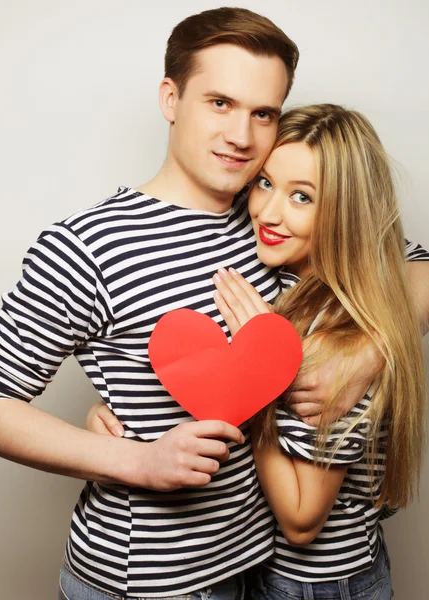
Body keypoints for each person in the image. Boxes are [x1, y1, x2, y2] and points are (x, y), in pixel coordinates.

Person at [0, 7, 428, 600]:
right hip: (146, 582)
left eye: (263, 113)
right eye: (219, 103)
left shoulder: (271, 215)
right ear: (170, 99)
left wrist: (368, 347)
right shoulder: (88, 246)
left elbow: (412, 267)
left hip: (254, 571)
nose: (242, 135)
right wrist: (128, 459)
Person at [91, 104, 427, 600]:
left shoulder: (335, 332)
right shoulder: (287, 276)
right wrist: (123, 408)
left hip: (317, 582)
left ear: (346, 213)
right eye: (265, 183)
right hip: (256, 568)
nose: (267, 213)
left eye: (302, 197)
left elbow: (301, 519)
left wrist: (263, 378)